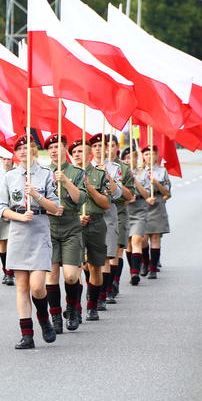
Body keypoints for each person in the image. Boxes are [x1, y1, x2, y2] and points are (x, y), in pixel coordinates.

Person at [0, 135, 60, 349]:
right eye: (19, 148)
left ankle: (43, 317)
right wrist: (19, 217)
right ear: (15, 153)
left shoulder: (46, 174)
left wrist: (36, 196)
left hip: (40, 230)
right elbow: (1, 207)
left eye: (27, 147)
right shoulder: (9, 176)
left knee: (37, 287)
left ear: (34, 150)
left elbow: (56, 208)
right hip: (18, 230)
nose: (23, 151)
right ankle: (27, 334)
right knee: (22, 287)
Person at [45, 135, 87, 333]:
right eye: (50, 147)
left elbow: (80, 199)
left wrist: (67, 181)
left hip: (71, 224)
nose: (54, 150)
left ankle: (72, 308)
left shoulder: (76, 172)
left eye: (57, 146)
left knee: (70, 276)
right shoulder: (43, 172)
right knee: (51, 274)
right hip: (49, 226)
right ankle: (56, 316)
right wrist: (48, 208)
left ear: (65, 148)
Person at [70, 138, 111, 322]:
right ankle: (75, 307)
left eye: (80, 151)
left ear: (89, 153)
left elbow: (106, 204)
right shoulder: (66, 174)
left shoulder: (100, 174)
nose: (77, 155)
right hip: (73, 224)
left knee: (95, 266)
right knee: (75, 268)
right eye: (74, 152)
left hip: (95, 222)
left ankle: (92, 305)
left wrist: (90, 188)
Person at [89, 134, 124, 312]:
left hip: (107, 216)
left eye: (100, 146)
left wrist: (107, 176)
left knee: (106, 258)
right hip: (88, 217)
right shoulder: (83, 168)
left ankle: (103, 294)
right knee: (89, 261)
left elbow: (117, 194)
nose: (97, 148)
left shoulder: (114, 168)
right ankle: (92, 292)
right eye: (94, 146)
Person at [122, 147, 154, 285]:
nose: (129, 160)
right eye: (127, 157)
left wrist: (134, 180)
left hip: (140, 210)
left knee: (136, 241)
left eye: (132, 157)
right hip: (125, 210)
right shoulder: (120, 173)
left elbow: (147, 194)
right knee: (128, 243)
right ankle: (133, 270)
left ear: (137, 158)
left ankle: (135, 273)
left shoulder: (143, 173)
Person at [109, 138, 135, 300]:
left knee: (116, 251)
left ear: (117, 147)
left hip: (118, 212)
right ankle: (103, 285)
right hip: (99, 214)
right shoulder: (94, 167)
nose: (108, 149)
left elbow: (129, 196)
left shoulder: (124, 169)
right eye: (105, 146)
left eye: (112, 146)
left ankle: (114, 283)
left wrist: (115, 184)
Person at [142, 145, 171, 280]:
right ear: (143, 156)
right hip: (142, 204)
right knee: (143, 238)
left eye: (152, 154)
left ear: (157, 156)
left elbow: (167, 192)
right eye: (146, 154)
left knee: (154, 237)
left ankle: (153, 267)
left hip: (157, 204)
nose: (149, 157)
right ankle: (145, 263)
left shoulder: (162, 171)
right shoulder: (138, 171)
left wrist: (156, 184)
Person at [0, 155, 15, 286]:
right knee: (3, 242)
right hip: (1, 209)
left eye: (8, 158)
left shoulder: (18, 171)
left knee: (13, 242)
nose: (6, 161)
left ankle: (11, 270)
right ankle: (6, 269)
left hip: (15, 210)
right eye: (3, 159)